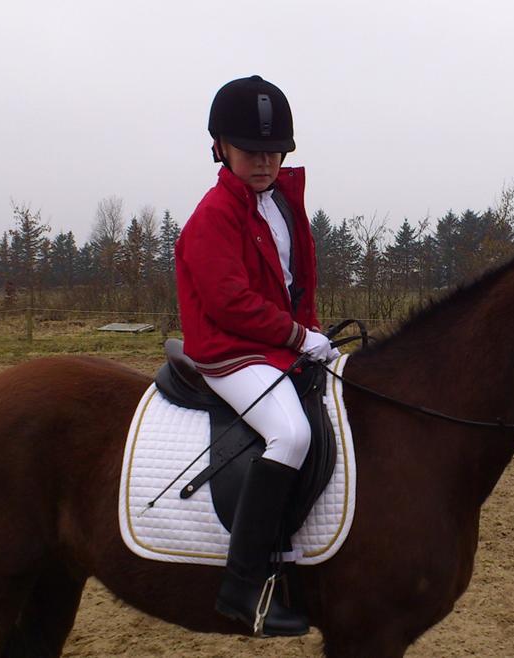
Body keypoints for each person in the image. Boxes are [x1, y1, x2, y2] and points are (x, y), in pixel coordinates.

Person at [175, 75, 338, 637]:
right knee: (290, 435)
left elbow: (294, 283)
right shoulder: (213, 215)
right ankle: (241, 585)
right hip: (230, 351)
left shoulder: (282, 205)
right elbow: (230, 303)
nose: (265, 161)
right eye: (251, 150)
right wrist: (296, 337)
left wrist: (311, 332)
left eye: (274, 151)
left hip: (275, 344)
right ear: (221, 147)